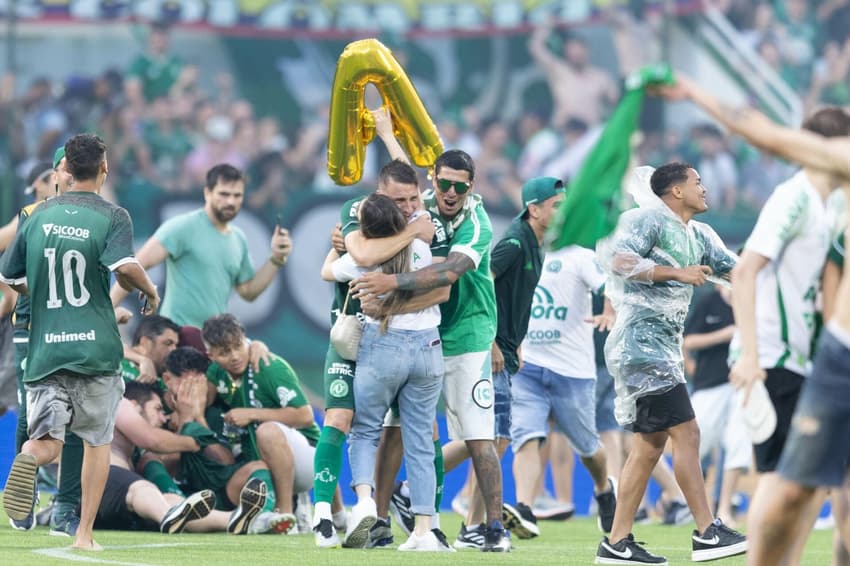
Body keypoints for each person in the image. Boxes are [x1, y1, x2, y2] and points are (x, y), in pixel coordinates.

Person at [664, 73, 850, 566]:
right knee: (786, 483)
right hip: (790, 357)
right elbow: (765, 133)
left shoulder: (834, 203)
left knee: (825, 491)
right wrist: (748, 353)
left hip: (811, 356)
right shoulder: (802, 195)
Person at [0, 133, 160, 551]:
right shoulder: (113, 216)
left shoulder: (35, 216)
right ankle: (83, 534)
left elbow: (11, 277)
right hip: (94, 351)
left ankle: (29, 459)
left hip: (44, 348)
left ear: (65, 171)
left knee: (49, 440)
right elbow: (124, 267)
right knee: (94, 441)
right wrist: (150, 290)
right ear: (104, 169)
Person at [352, 149, 511, 552]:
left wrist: (391, 286)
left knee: (478, 435)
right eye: (444, 183)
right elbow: (396, 182)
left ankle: (493, 527)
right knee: (396, 432)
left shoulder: (477, 222)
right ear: (432, 181)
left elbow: (449, 274)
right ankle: (381, 521)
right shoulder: (415, 209)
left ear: (471, 187)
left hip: (468, 335)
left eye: (461, 185)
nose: (451, 192)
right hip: (422, 335)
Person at [594, 163, 745, 565]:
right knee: (688, 431)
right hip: (640, 347)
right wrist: (678, 272)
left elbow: (740, 271)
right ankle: (706, 531)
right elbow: (618, 259)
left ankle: (616, 542)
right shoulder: (646, 220)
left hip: (663, 351)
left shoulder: (699, 235)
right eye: (698, 182)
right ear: (676, 191)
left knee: (648, 446)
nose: (705, 188)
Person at [311, 117, 440, 549]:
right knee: (421, 438)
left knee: (365, 430)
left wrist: (388, 136)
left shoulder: (370, 240)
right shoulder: (422, 232)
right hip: (428, 347)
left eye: (412, 199)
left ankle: (365, 503)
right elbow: (440, 288)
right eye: (401, 201)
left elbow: (334, 267)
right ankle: (425, 528)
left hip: (381, 344)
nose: (409, 204)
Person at [472, 176, 568, 541]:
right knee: (493, 439)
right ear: (535, 208)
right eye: (557, 206)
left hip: (507, 349)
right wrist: (492, 342)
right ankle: (477, 526)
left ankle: (472, 525)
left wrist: (515, 343)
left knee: (491, 441)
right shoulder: (513, 242)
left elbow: (514, 298)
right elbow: (482, 284)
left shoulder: (535, 242)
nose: (562, 212)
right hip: (490, 350)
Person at [508, 243, 618, 541]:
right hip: (528, 366)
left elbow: (609, 285)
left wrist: (608, 309)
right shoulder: (521, 253)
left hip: (573, 373)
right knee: (527, 437)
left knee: (588, 448)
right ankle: (525, 508)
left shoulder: (580, 256)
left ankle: (604, 491)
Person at [110, 163, 292, 327]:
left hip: (213, 342)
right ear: (207, 193)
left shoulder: (238, 238)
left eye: (237, 195)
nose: (231, 201)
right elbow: (133, 267)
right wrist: (106, 312)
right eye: (224, 194)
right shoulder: (183, 227)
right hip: (178, 339)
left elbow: (248, 292)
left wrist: (275, 259)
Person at [203, 314, 320, 534]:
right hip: (266, 461)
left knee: (267, 431)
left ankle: (286, 513)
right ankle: (303, 505)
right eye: (224, 352)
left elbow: (305, 416)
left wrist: (253, 414)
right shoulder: (215, 373)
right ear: (211, 355)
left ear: (244, 339)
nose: (235, 356)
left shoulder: (268, 365)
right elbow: (202, 405)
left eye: (238, 346)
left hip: (309, 460)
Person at [682, 284, 749, 528]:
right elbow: (688, 340)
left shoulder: (756, 299)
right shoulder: (709, 301)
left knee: (738, 443)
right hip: (709, 384)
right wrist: (726, 333)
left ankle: (724, 508)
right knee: (696, 442)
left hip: (744, 383)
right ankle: (689, 506)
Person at [528, 19, 618, 128]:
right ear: (567, 53)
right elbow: (536, 48)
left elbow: (616, 102)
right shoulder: (559, 70)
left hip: (590, 131)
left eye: (578, 51)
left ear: (586, 51)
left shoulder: (600, 77)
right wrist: (547, 26)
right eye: (572, 52)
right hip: (564, 130)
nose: (575, 55)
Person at [120, 315, 181, 388]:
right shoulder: (115, 364)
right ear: (145, 342)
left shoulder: (163, 384)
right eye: (168, 343)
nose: (174, 350)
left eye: (176, 345)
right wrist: (143, 360)